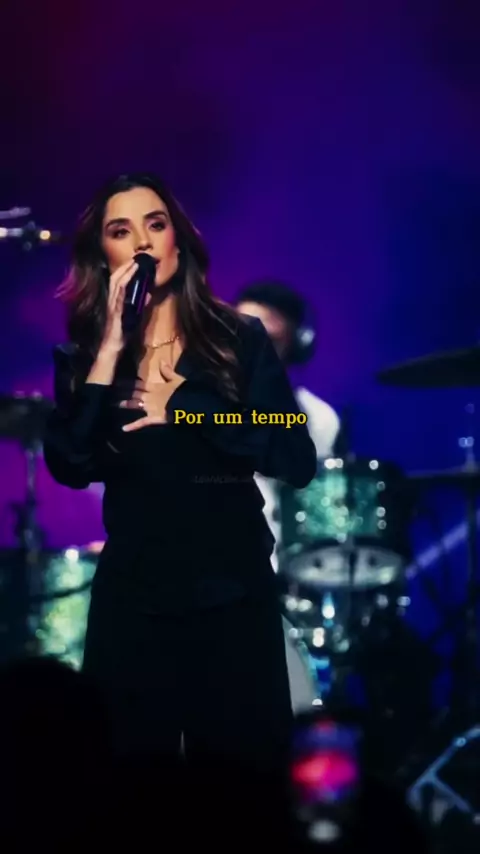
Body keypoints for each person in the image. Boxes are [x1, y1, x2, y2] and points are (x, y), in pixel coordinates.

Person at [42, 173, 316, 772]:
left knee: (242, 790)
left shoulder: (235, 339)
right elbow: (70, 461)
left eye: (156, 224)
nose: (143, 242)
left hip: (231, 594)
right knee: (131, 789)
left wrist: (189, 411)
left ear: (177, 240)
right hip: (133, 602)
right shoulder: (85, 359)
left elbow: (292, 450)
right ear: (104, 255)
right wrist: (110, 347)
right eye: (121, 231)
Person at [235, 281, 340, 569]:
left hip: (282, 573)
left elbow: (321, 512)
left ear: (295, 346)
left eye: (266, 339)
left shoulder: (319, 419)